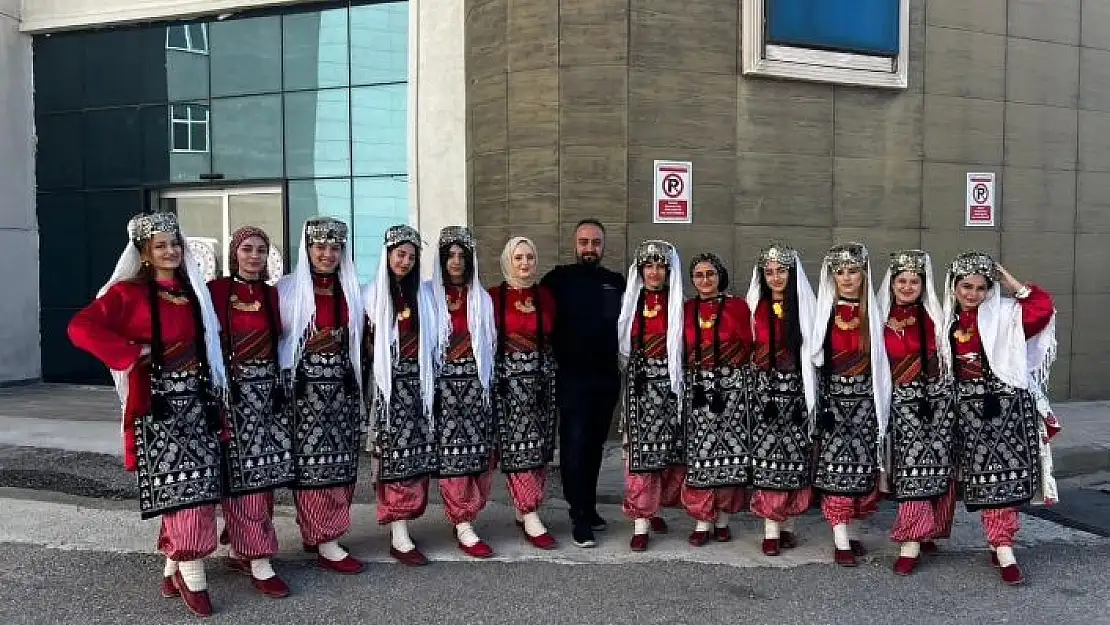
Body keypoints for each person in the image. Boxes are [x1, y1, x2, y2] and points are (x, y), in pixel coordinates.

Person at [69, 212, 229, 617]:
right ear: (144, 253)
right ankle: (193, 572)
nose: (171, 251)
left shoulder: (195, 292)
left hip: (199, 402)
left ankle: (173, 563)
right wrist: (131, 352)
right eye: (161, 245)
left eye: (175, 244)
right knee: (184, 488)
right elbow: (80, 327)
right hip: (159, 408)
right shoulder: (127, 295)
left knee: (199, 486)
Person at [942, 251, 1060, 585]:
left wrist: (1011, 282)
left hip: (1008, 410)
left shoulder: (1007, 314)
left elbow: (1042, 309)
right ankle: (999, 543)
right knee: (983, 480)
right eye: (966, 286)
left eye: (981, 287)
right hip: (969, 412)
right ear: (954, 286)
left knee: (1004, 481)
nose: (972, 294)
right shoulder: (946, 320)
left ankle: (1004, 546)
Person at [207, 226, 295, 598]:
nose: (255, 256)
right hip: (231, 397)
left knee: (263, 478)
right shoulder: (216, 292)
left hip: (267, 400)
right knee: (241, 479)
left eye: (261, 250)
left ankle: (246, 547)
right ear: (234, 254)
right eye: (247, 249)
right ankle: (257, 557)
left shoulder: (273, 296)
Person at [277, 217, 365, 575]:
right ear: (308, 249)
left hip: (342, 389)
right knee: (311, 466)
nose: (328, 254)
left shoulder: (352, 289)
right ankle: (323, 538)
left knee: (342, 463)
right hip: (304, 393)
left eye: (335, 248)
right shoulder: (286, 289)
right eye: (320, 247)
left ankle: (325, 533)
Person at [540, 219, 625, 547]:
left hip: (606, 379)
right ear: (575, 244)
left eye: (596, 242)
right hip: (571, 379)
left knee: (594, 449)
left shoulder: (615, 282)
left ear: (603, 246)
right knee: (574, 448)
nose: (590, 248)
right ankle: (578, 517)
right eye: (584, 242)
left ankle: (588, 508)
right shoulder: (557, 280)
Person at [874, 250, 956, 576]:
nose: (907, 287)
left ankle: (928, 531)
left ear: (923, 285)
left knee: (938, 469)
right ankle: (910, 540)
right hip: (900, 404)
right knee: (912, 472)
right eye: (901, 281)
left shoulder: (937, 314)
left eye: (914, 281)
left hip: (938, 403)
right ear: (891, 284)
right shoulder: (879, 317)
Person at [810, 242, 891, 567]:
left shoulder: (876, 312)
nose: (846, 278)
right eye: (840, 272)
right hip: (833, 405)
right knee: (836, 471)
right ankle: (841, 539)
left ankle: (854, 532)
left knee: (863, 470)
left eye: (853, 271)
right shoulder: (823, 312)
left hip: (866, 405)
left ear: (863, 274)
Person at [363, 224, 439, 566]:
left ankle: (404, 523)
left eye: (411, 256)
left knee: (414, 459)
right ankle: (398, 531)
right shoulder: (371, 294)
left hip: (417, 387)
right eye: (400, 254)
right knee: (392, 460)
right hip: (387, 388)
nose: (405, 261)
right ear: (388, 254)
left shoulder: (423, 295)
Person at [744, 242, 818, 556]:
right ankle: (771, 529)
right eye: (769, 272)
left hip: (797, 393)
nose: (775, 277)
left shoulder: (804, 305)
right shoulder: (753, 305)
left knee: (795, 460)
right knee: (767, 460)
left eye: (781, 271)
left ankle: (788, 525)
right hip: (764, 394)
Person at [428, 226, 498, 558]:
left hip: (476, 386)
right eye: (450, 255)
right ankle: (462, 522)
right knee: (452, 457)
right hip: (443, 388)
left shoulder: (481, 297)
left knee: (479, 457)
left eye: (462, 255)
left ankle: (469, 515)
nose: (456, 262)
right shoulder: (427, 295)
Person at [490, 236, 558, 549]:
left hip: (542, 383)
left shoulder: (546, 296)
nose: (525, 264)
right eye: (518, 258)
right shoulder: (493, 297)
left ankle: (524, 507)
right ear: (508, 260)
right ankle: (530, 513)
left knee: (540, 446)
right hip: (509, 385)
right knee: (519, 447)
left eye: (530, 257)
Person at [617, 240, 686, 552]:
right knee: (640, 456)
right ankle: (641, 522)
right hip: (640, 388)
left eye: (661, 266)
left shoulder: (680, 305)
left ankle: (656, 507)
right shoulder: (629, 303)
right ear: (640, 270)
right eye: (649, 266)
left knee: (669, 454)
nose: (655, 272)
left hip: (671, 387)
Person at [681, 252, 754, 546]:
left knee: (730, 453)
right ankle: (702, 520)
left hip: (731, 389)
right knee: (701, 454)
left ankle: (723, 518)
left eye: (710, 274)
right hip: (698, 388)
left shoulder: (737, 306)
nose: (705, 280)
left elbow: (750, 342)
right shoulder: (685, 308)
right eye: (698, 275)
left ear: (720, 276)